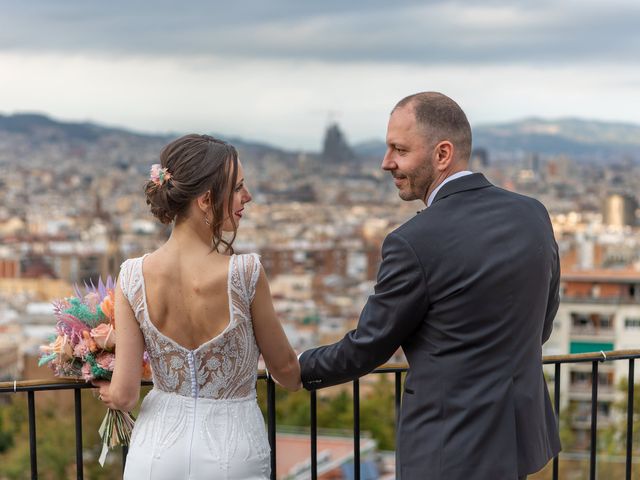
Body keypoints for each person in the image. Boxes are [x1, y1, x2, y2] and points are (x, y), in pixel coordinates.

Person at [298, 92, 560, 479]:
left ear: (442, 154)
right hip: (519, 440)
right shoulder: (532, 213)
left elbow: (367, 348)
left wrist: (296, 367)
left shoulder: (413, 241)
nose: (387, 163)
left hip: (449, 448)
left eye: (399, 150)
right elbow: (543, 323)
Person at [94, 134, 300, 480]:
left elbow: (125, 394)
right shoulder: (245, 273)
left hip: (155, 451)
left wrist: (105, 390)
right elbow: (288, 373)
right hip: (232, 451)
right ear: (206, 200)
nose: (246, 197)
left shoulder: (132, 275)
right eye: (237, 189)